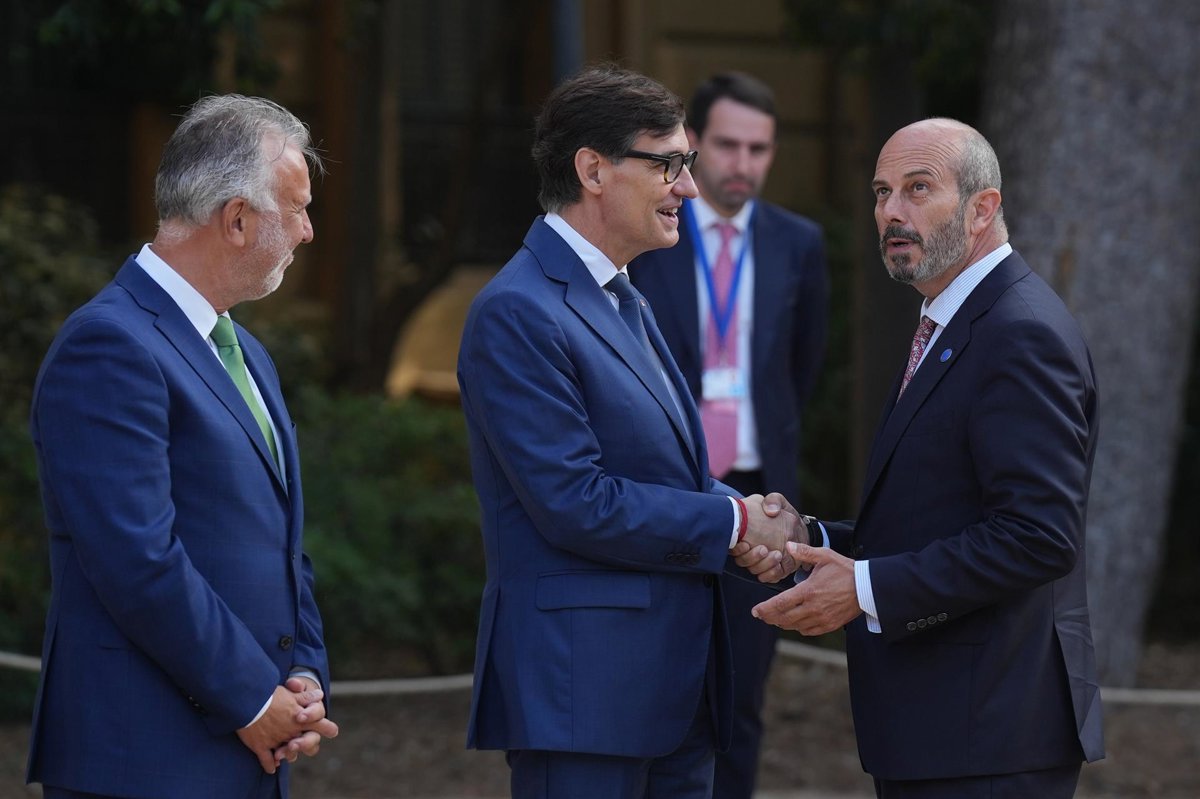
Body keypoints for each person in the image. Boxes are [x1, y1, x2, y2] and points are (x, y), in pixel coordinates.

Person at [457, 65, 808, 799]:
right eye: (669, 165)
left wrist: (746, 520)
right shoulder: (518, 310)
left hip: (674, 697)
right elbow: (575, 500)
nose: (690, 188)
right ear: (592, 170)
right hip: (584, 701)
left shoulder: (624, 297)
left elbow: (664, 476)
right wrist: (738, 522)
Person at [737, 117, 1105, 799]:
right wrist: (812, 542)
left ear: (982, 209)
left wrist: (864, 589)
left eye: (918, 188)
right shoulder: (951, 320)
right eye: (882, 192)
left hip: (991, 738)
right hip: (944, 731)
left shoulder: (1019, 332)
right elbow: (935, 514)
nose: (891, 212)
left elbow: (1038, 535)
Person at [27, 94, 338, 799]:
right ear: (237, 218)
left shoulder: (247, 352)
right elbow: (137, 560)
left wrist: (303, 678)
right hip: (144, 759)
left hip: (248, 752)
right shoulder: (107, 345)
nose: (308, 230)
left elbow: (282, 544)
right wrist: (254, 700)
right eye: (296, 209)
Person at [630, 71, 829, 799]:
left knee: (740, 702)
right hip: (663, 493)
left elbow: (801, 367)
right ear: (693, 146)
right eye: (727, 145)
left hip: (760, 497)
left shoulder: (797, 243)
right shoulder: (651, 233)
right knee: (655, 695)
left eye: (759, 149)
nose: (744, 163)